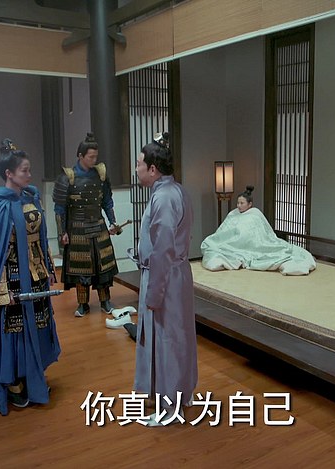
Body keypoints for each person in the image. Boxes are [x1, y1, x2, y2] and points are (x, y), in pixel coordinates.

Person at [0, 138, 61, 415]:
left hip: (35, 275)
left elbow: (41, 238)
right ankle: (14, 384)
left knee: (39, 324)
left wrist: (48, 268)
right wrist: (1, 290)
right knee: (14, 331)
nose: (29, 175)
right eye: (24, 170)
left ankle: (34, 375)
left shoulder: (30, 197)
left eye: (29, 169)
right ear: (9, 173)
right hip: (10, 279)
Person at [133, 132, 197, 425]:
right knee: (177, 335)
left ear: (152, 169)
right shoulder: (172, 191)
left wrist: (154, 292)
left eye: (139, 164)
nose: (136, 169)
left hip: (166, 276)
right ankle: (180, 392)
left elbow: (162, 249)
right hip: (173, 273)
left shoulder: (165, 197)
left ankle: (170, 407)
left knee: (168, 339)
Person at [53, 132, 121, 317]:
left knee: (103, 265)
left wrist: (113, 221)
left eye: (95, 156)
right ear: (80, 156)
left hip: (98, 225)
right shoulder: (67, 177)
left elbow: (107, 201)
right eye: (91, 157)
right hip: (77, 228)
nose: (94, 160)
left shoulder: (101, 175)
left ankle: (105, 301)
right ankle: (82, 304)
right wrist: (62, 232)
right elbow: (59, 209)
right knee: (80, 267)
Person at [200, 185, 316, 276]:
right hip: (232, 243)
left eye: (242, 203)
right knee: (212, 246)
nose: (239, 205)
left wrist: (241, 238)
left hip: (253, 245)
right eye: (238, 203)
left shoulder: (255, 214)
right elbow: (224, 229)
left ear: (250, 204)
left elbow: (259, 234)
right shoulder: (233, 213)